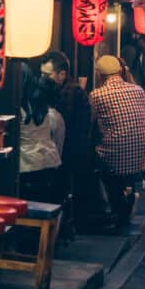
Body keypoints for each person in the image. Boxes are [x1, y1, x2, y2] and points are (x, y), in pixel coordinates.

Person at [89, 55, 145, 230]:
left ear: (100, 75)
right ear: (120, 71)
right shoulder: (138, 90)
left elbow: (90, 124)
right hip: (139, 153)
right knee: (128, 180)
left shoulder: (96, 95)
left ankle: (115, 208)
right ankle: (128, 198)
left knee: (100, 166)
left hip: (113, 155)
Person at [39, 51, 91, 234]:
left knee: (60, 192)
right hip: (62, 152)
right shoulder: (64, 90)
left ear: (61, 74)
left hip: (68, 153)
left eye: (46, 75)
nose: (42, 79)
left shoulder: (71, 91)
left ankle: (58, 230)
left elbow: (66, 125)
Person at [18, 70, 65, 205]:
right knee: (43, 202)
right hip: (49, 160)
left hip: (28, 164)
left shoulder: (20, 107)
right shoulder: (40, 104)